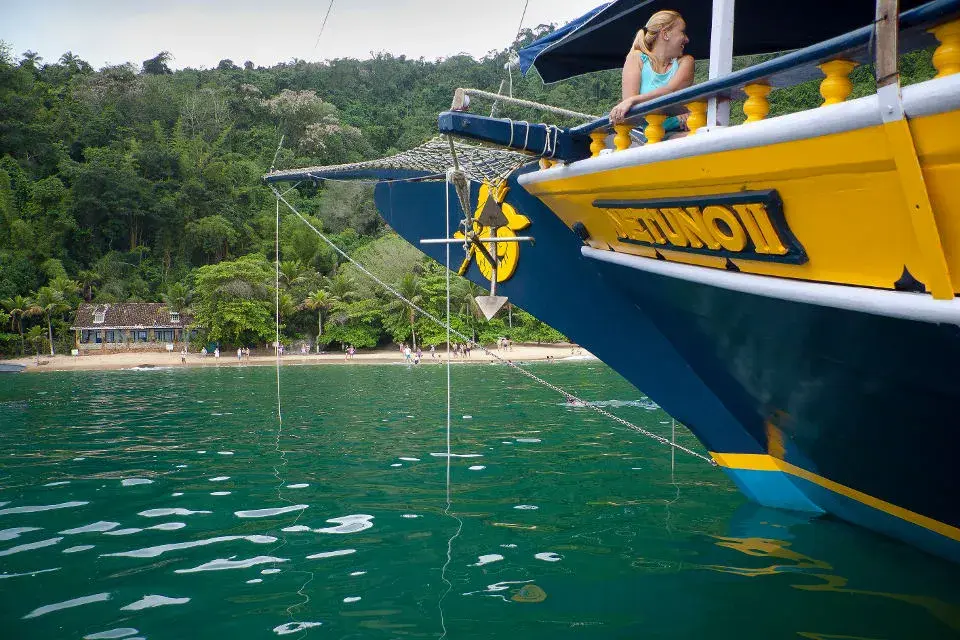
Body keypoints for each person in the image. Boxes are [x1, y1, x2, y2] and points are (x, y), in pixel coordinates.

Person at [609, 10, 694, 136]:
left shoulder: (686, 62)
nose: (687, 39)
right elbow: (632, 113)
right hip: (652, 135)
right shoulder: (636, 58)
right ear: (665, 34)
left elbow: (671, 92)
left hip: (682, 131)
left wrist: (632, 100)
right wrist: (630, 102)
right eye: (682, 32)